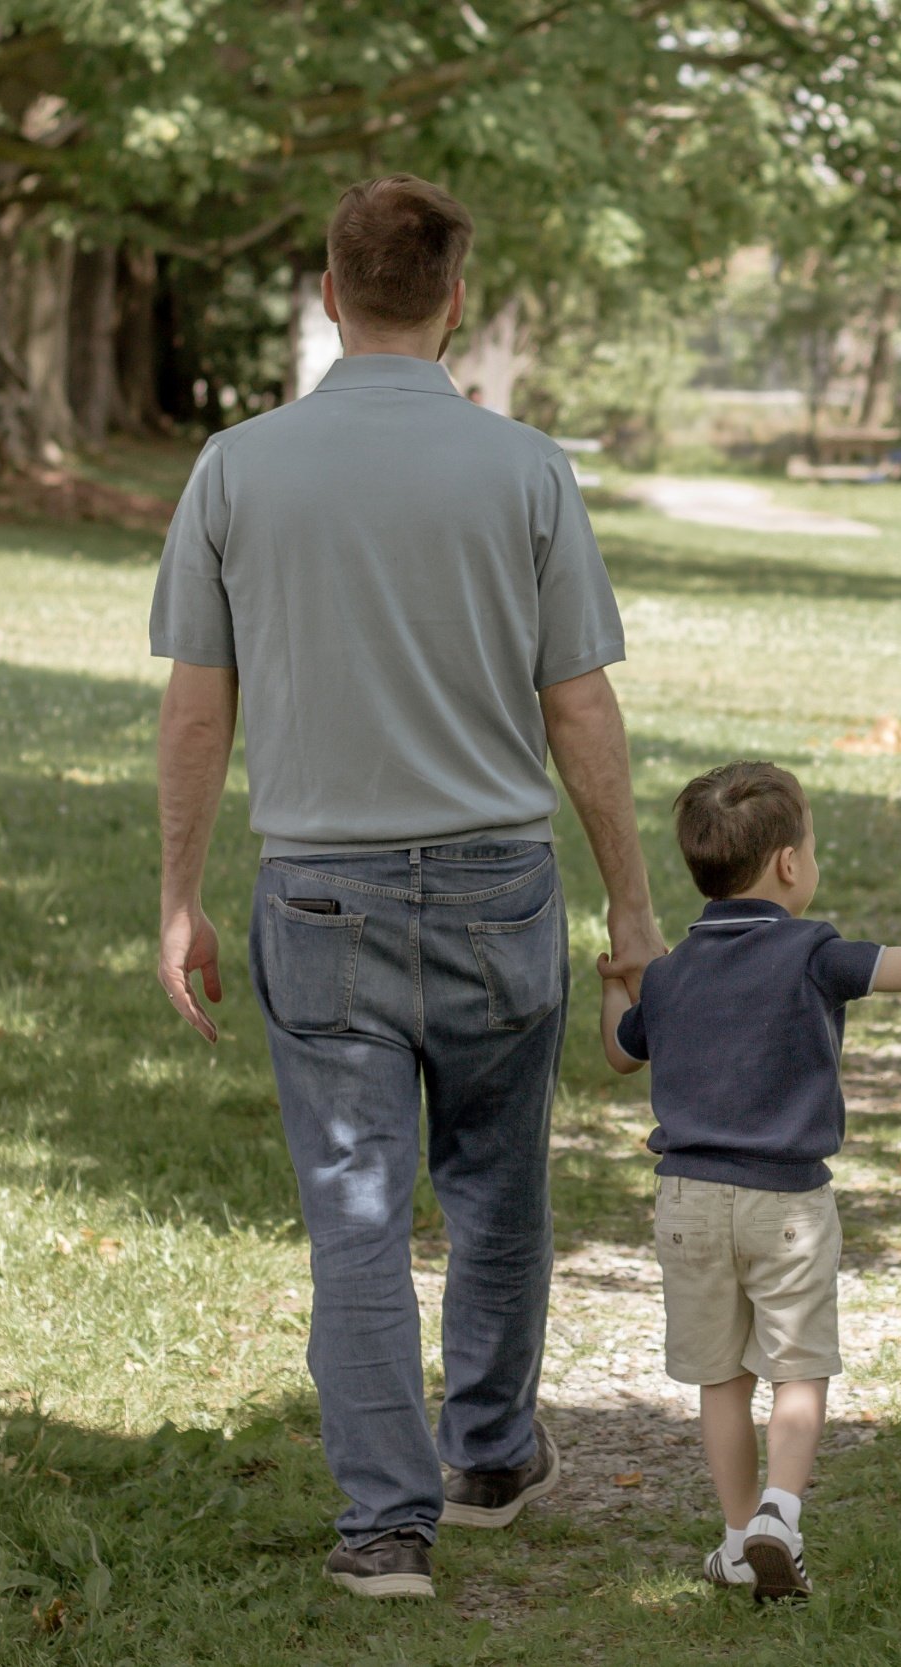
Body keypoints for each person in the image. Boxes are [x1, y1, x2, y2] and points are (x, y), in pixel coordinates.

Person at [150, 174, 666, 1600]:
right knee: (497, 1185)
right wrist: (630, 909)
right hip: (502, 884)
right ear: (454, 300)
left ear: (329, 293)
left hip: (318, 894)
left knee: (357, 1207)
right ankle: (491, 1449)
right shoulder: (526, 470)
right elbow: (584, 712)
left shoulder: (236, 468)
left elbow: (200, 711)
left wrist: (179, 896)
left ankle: (387, 1520)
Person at [597, 761, 901, 1601]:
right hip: (786, 1203)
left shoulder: (670, 975)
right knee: (798, 1367)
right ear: (789, 864)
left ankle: (739, 1536)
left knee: (721, 1378)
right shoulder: (813, 952)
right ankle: (782, 1510)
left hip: (688, 1202)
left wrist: (617, 984)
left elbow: (620, 1052)